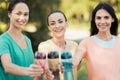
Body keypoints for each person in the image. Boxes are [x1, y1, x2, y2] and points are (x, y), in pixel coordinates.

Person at [73, 2, 120, 80]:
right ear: (94, 20)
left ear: (112, 19)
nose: (102, 22)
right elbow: (76, 58)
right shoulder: (86, 43)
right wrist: (70, 63)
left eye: (106, 17)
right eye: (98, 18)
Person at [0, 0, 45, 80]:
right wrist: (30, 71)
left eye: (25, 14)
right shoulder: (3, 40)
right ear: (9, 14)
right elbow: (7, 67)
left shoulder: (27, 40)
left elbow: (31, 64)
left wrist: (43, 71)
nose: (22, 18)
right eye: (18, 13)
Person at [37, 10, 79, 80]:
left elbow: (78, 66)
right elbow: (44, 64)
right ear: (49, 27)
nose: (57, 26)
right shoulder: (44, 46)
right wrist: (48, 70)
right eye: (53, 23)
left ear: (66, 23)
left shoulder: (74, 46)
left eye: (60, 22)